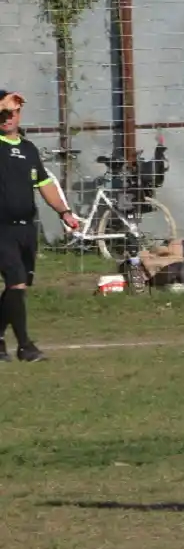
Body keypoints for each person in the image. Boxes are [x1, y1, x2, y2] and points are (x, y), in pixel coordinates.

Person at [0, 90, 79, 363]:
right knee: (16, 282)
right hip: (2, 229)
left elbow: (44, 184)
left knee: (17, 286)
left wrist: (64, 212)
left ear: (20, 115)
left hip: (26, 229)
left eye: (13, 112)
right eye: (3, 112)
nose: (7, 117)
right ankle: (25, 346)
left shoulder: (28, 149)